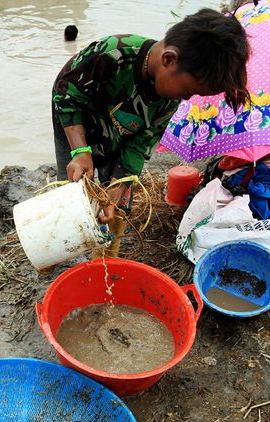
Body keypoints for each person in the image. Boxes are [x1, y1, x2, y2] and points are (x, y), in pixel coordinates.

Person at [51, 9, 249, 257]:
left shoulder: (169, 99)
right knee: (74, 192)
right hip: (76, 125)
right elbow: (65, 94)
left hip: (122, 136)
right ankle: (68, 252)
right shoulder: (113, 54)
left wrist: (117, 187)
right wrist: (80, 150)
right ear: (169, 59)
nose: (187, 99)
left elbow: (140, 145)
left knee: (118, 203)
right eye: (188, 91)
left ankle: (106, 259)